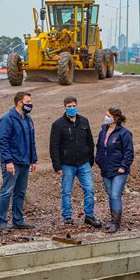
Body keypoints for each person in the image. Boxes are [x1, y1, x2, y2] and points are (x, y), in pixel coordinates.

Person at [49, 96, 101, 227]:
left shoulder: (84, 121)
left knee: (89, 189)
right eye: (69, 107)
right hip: (67, 164)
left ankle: (89, 216)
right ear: (65, 108)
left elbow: (90, 141)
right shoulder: (58, 125)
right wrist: (57, 166)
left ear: (77, 106)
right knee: (66, 191)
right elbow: (53, 146)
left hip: (84, 163)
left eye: (73, 106)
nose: (72, 109)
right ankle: (67, 217)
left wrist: (90, 159)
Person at [0, 91, 37, 232]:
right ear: (19, 103)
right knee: (7, 191)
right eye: (27, 102)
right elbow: (3, 142)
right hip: (12, 162)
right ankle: (2, 222)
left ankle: (18, 220)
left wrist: (33, 159)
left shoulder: (28, 119)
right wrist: (8, 161)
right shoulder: (7, 119)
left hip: (25, 162)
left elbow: (31, 141)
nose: (30, 104)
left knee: (20, 192)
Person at [95, 106, 134, 233]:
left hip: (119, 170)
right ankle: (112, 219)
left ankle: (116, 223)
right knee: (110, 195)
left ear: (115, 118)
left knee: (115, 195)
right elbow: (99, 147)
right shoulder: (103, 131)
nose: (105, 117)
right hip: (106, 169)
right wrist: (98, 160)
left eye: (108, 116)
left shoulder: (124, 133)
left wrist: (124, 166)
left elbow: (129, 152)